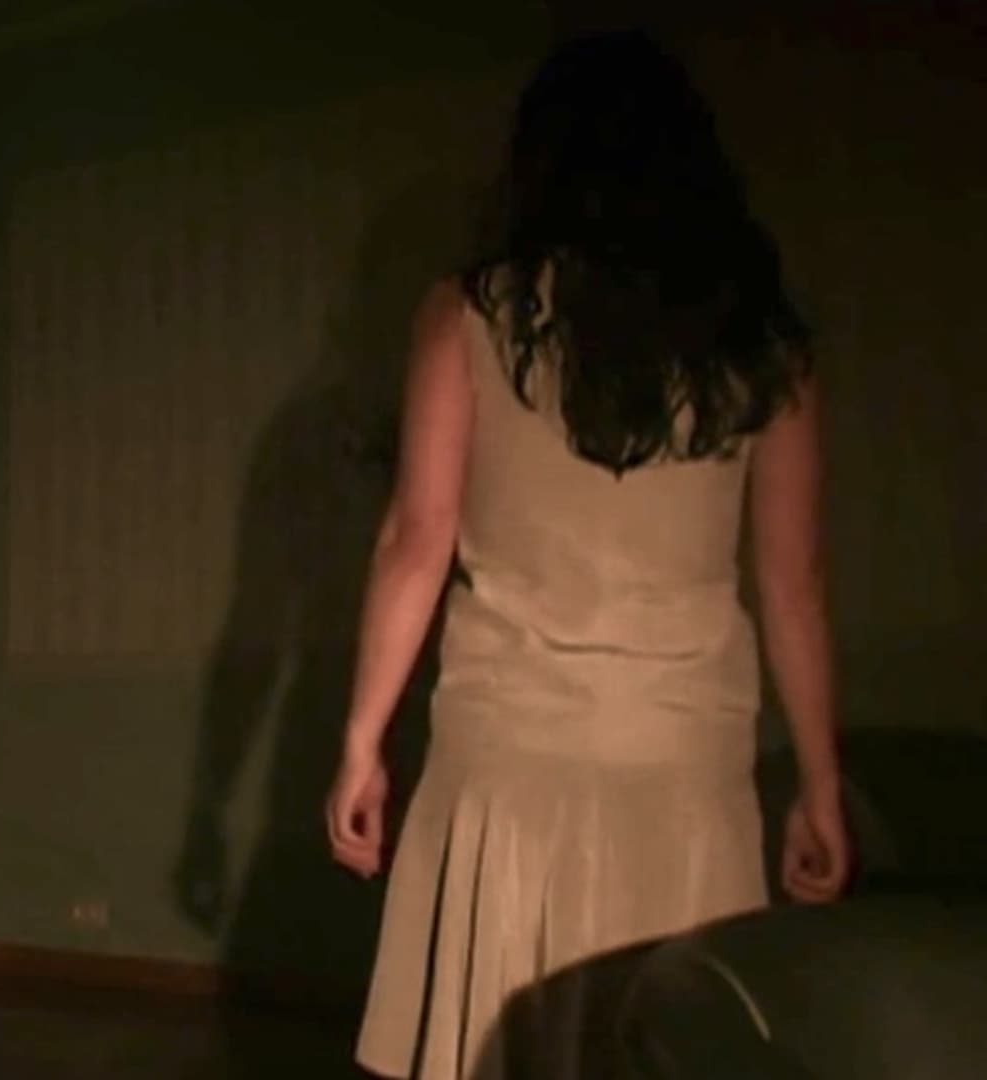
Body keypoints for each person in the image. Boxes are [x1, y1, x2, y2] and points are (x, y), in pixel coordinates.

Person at [325, 30, 852, 1080]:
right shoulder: (765, 347)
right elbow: (794, 585)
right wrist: (821, 785)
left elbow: (416, 541)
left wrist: (360, 743)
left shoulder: (471, 316)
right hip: (685, 771)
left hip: (507, 764)